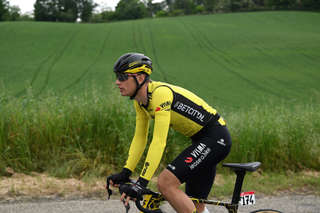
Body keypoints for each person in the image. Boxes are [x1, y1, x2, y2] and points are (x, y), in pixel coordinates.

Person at [107, 53, 232, 213]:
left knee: (165, 183)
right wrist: (126, 172)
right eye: (117, 76)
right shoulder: (140, 103)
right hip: (202, 141)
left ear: (140, 78)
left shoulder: (160, 94)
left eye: (123, 77)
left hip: (216, 138)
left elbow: (159, 141)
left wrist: (142, 183)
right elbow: (140, 138)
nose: (117, 82)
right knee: (194, 206)